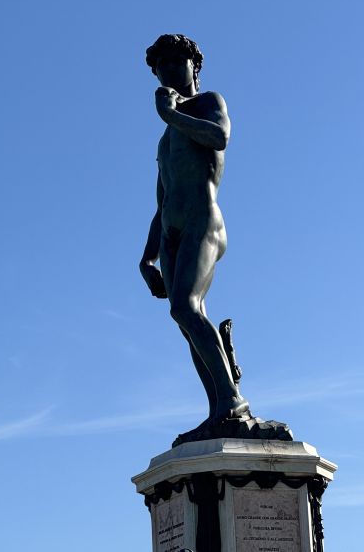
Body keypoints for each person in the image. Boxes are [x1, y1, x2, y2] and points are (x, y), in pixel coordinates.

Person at [139, 34, 250, 430]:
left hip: (203, 220)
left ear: (194, 66)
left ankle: (233, 401)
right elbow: (162, 202)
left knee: (186, 306)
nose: (168, 70)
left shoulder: (207, 103)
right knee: (186, 319)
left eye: (176, 61)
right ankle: (219, 407)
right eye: (161, 66)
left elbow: (220, 137)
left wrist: (172, 115)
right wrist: (147, 258)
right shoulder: (165, 137)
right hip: (171, 230)